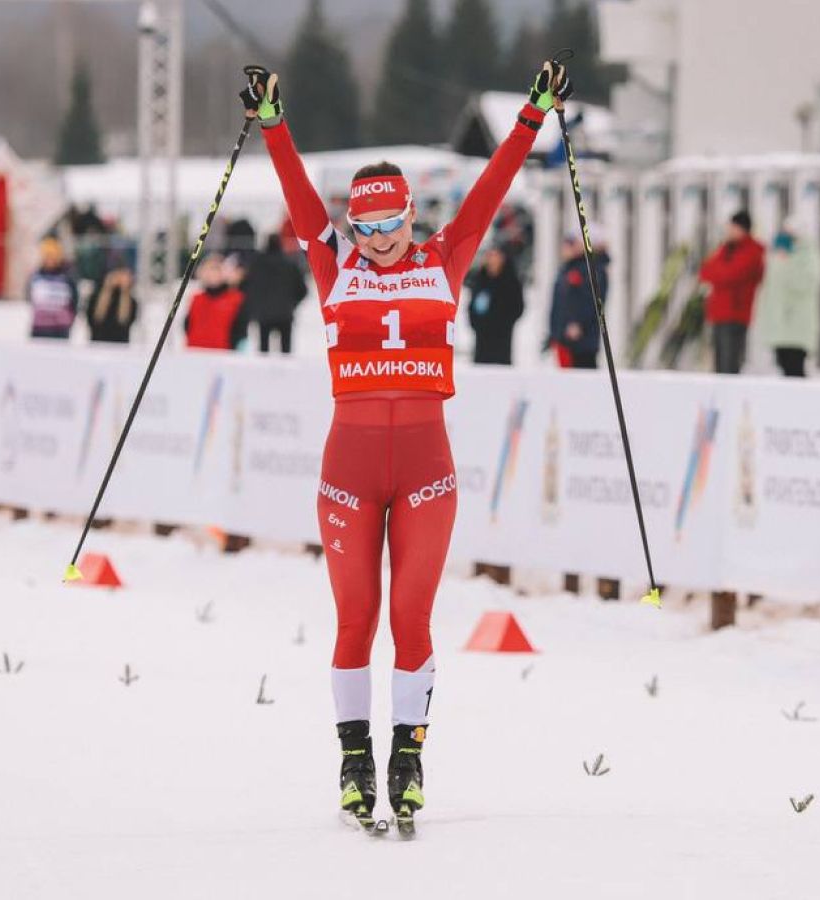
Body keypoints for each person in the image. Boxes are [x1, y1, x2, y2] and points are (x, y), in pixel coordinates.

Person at [240, 58, 571, 832]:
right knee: (356, 616)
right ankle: (355, 758)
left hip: (426, 470)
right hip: (348, 470)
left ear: (412, 219)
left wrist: (529, 119)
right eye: (368, 227)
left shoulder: (445, 259)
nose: (382, 242)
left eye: (393, 225)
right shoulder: (333, 265)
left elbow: (489, 192)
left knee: (413, 619)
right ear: (352, 225)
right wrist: (274, 125)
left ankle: (407, 754)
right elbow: (297, 201)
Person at [753, 224, 820, 377]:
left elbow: (805, 284)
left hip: (797, 326)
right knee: (784, 366)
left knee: (795, 368)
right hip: (780, 327)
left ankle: (801, 400)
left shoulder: (809, 256)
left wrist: (785, 263)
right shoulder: (776, 257)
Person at [699, 210, 765, 374]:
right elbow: (705, 271)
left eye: (732, 227)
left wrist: (717, 272)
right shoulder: (727, 248)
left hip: (735, 314)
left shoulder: (752, 251)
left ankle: (730, 397)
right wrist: (717, 272)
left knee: (730, 364)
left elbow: (730, 275)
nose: (729, 231)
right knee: (719, 364)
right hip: (719, 312)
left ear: (742, 229)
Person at [243, 234, 308, 354]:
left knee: (263, 351)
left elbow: (246, 287)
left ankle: (262, 372)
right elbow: (303, 290)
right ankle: (286, 372)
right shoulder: (290, 264)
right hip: (285, 314)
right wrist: (292, 304)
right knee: (286, 351)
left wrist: (255, 305)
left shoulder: (256, 264)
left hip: (263, 314)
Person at [548, 231, 603, 369]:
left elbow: (591, 303)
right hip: (564, 339)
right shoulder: (565, 270)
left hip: (582, 341)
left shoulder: (589, 270)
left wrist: (578, 324)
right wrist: (555, 332)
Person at [466, 246, 525, 365]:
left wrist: (504, 322)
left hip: (502, 339)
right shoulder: (480, 279)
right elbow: (472, 306)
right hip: (482, 338)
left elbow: (518, 307)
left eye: (496, 256)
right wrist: (476, 323)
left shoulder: (511, 281)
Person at [183, 254, 248, 351]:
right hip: (195, 353)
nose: (212, 273)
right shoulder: (196, 298)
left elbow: (240, 329)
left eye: (216, 269)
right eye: (209, 269)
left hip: (223, 355)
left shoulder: (236, 299)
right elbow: (187, 325)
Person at [27, 235, 79, 340]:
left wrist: (69, 320)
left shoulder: (67, 276)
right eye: (47, 256)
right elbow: (30, 297)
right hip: (39, 327)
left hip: (60, 328)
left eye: (53, 256)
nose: (50, 259)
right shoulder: (35, 276)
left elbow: (74, 300)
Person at [86, 253, 138, 344]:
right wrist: (107, 288)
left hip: (120, 346)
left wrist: (124, 291)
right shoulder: (95, 296)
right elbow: (97, 318)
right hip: (98, 343)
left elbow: (123, 320)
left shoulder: (131, 300)